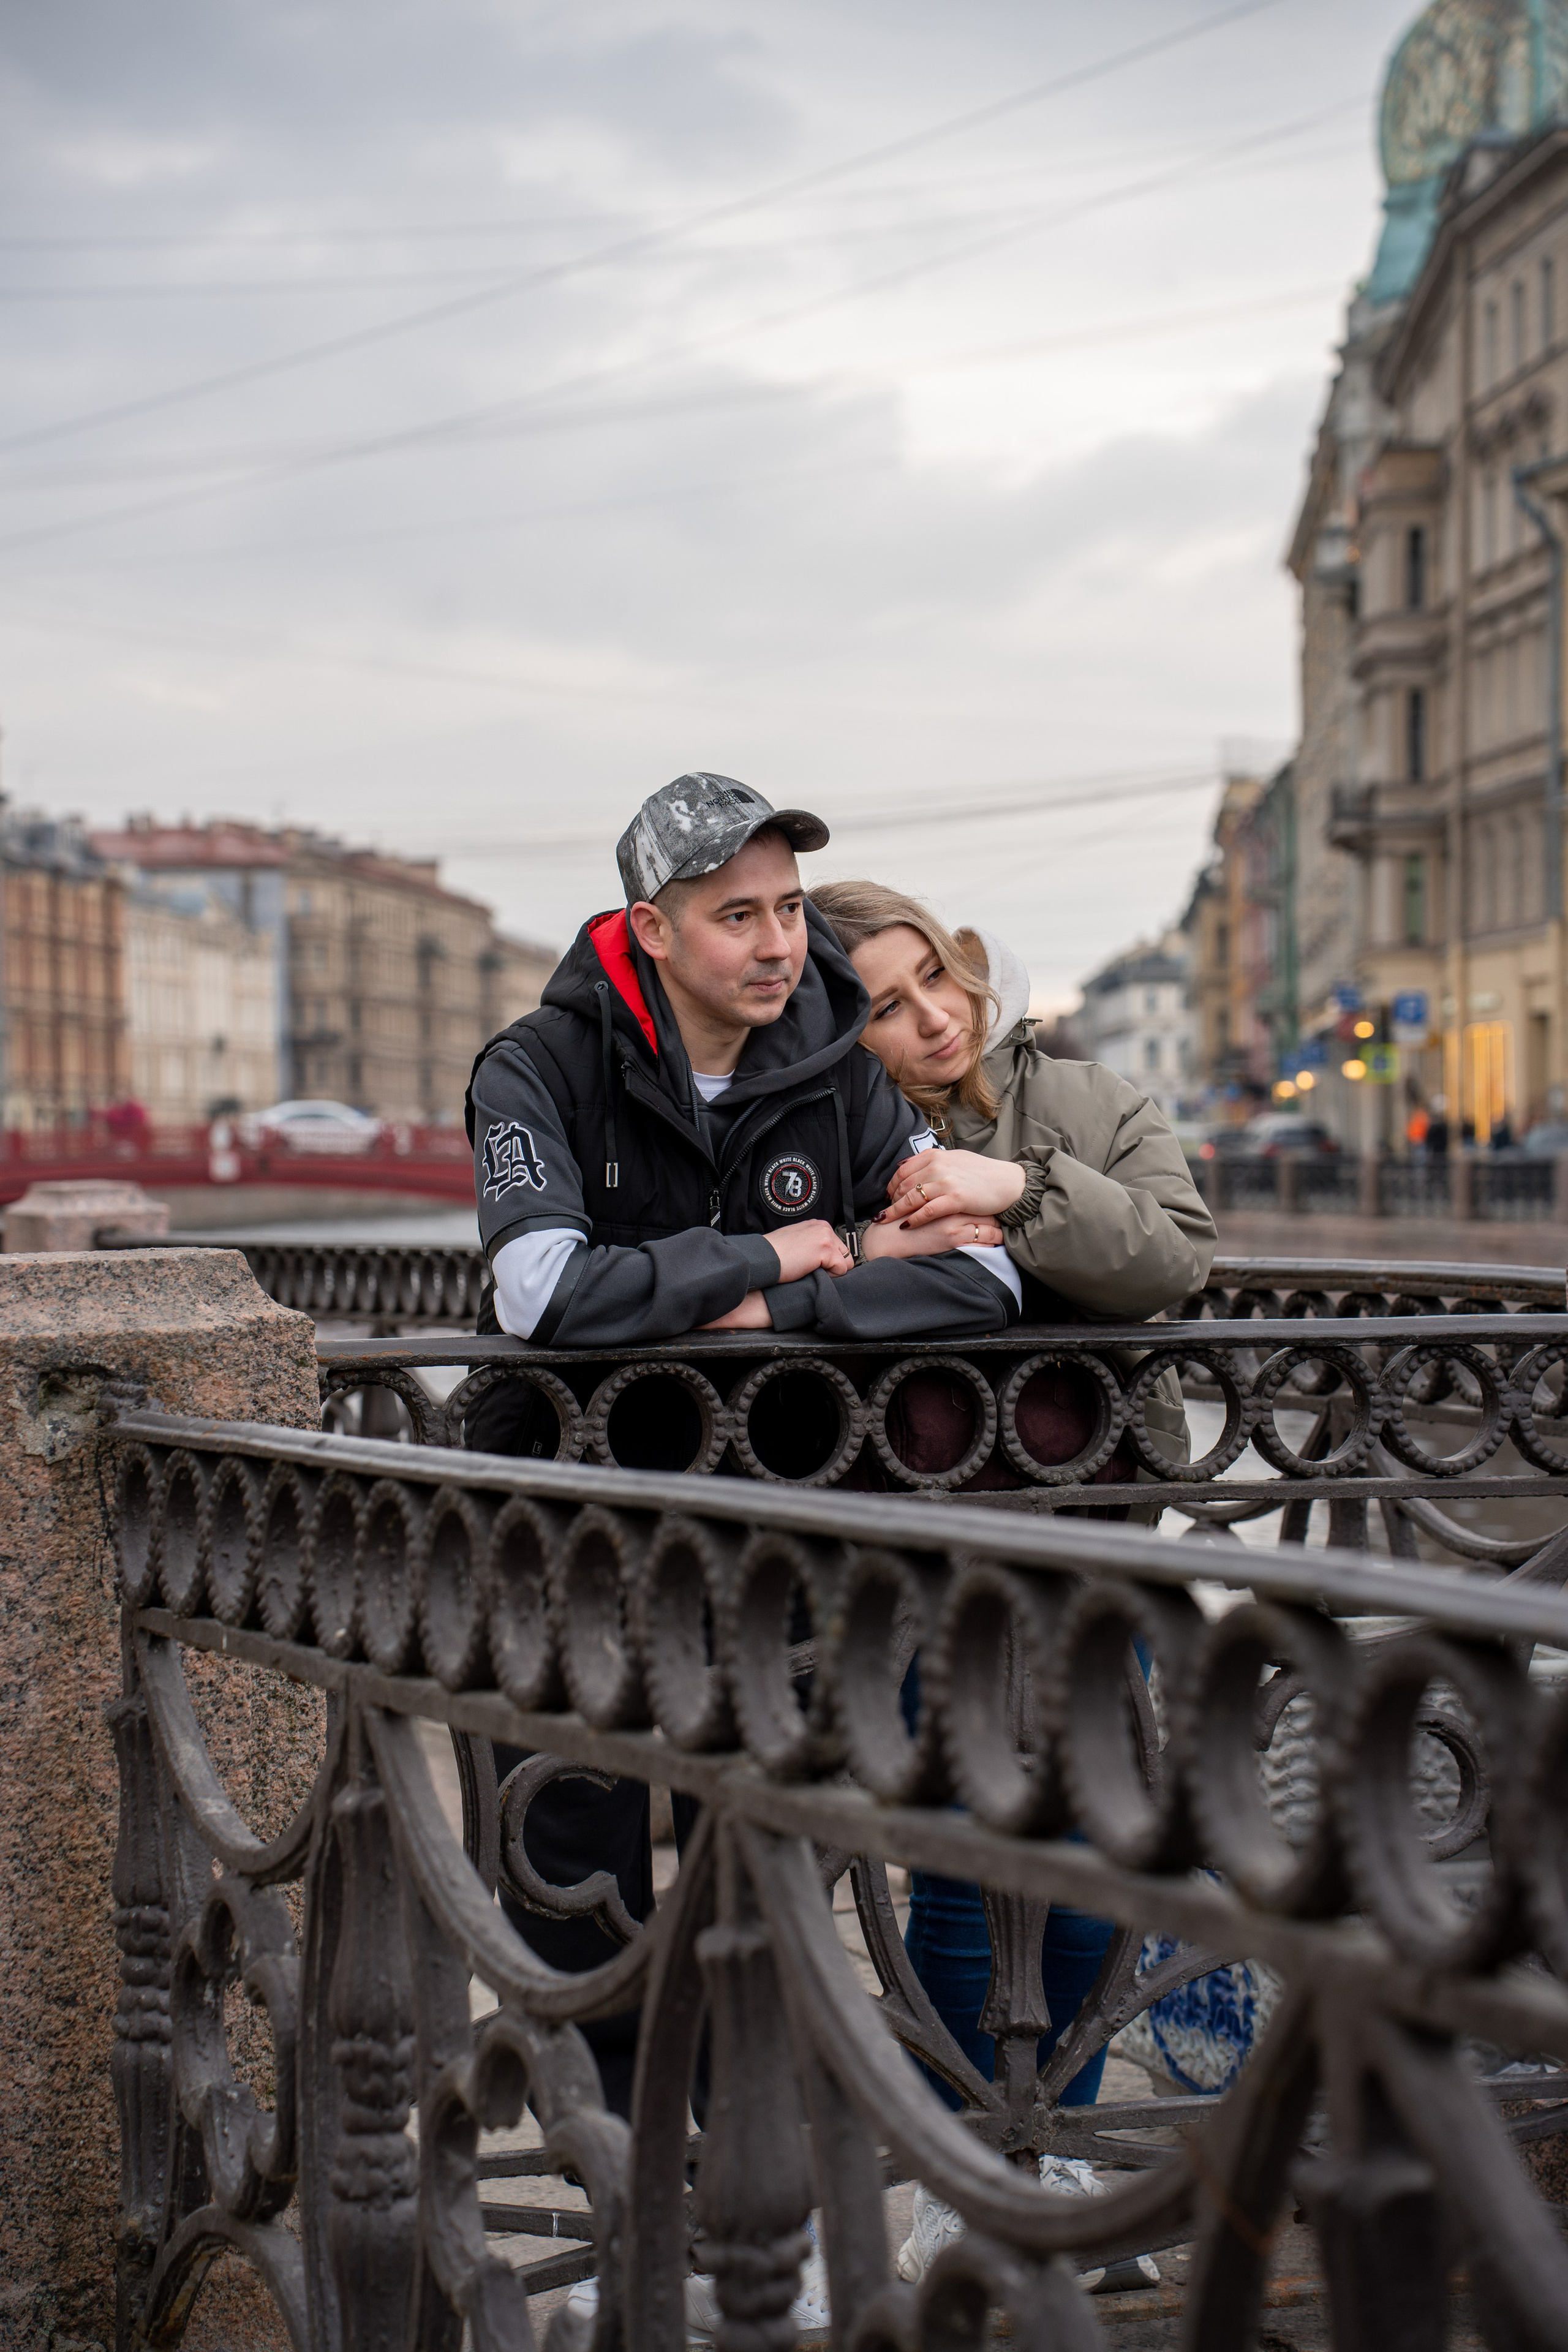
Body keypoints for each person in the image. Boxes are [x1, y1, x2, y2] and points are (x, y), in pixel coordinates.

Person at [462, 775, 1025, 2120]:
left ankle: (750, 2212)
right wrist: (772, 1246)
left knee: (764, 1879)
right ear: (650, 930)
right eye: (735, 916)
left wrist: (780, 1302)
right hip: (566, 1533)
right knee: (572, 1886)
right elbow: (540, 1291)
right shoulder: (534, 1065)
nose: (778, 943)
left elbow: (989, 1281)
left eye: (785, 907)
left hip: (771, 1528)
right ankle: (619, 2209)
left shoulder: (832, 1063)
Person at [810, 877, 1215, 2288]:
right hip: (917, 1542)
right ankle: (962, 2183)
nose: (930, 1020)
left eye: (937, 980)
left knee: (1098, 1858)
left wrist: (1014, 1190)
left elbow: (1171, 1259)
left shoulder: (1084, 1101)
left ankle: (1066, 2163)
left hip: (1087, 1525)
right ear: (832, 1028)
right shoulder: (826, 1132)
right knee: (960, 1872)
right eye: (879, 1007)